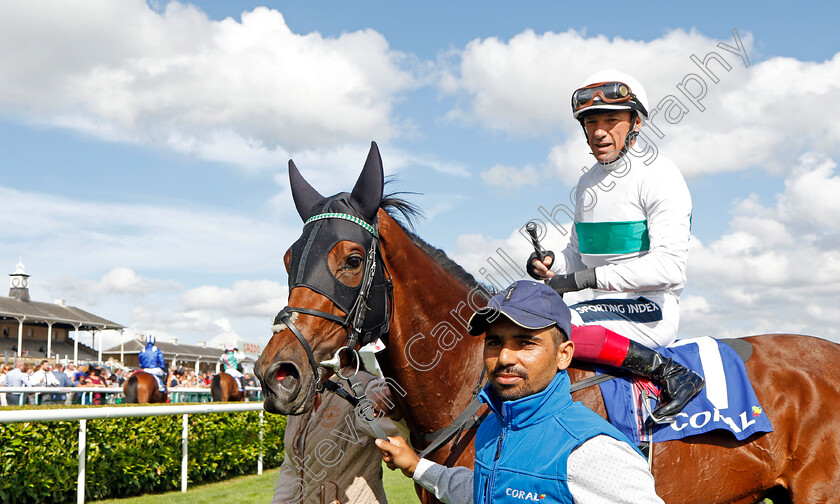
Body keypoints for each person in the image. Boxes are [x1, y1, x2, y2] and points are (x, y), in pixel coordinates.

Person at [377, 280, 664, 503]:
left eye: (525, 343)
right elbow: (483, 491)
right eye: (494, 342)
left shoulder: (590, 450)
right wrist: (417, 466)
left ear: (563, 355)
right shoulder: (492, 426)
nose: (504, 358)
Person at [527, 69, 704, 424]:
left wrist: (585, 279)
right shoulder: (587, 184)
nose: (599, 131)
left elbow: (670, 269)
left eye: (611, 120)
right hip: (597, 305)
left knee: (552, 332)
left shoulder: (660, 176)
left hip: (650, 308)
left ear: (635, 124)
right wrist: (552, 264)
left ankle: (671, 373)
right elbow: (577, 256)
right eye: (591, 123)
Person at [272, 354, 407, 504]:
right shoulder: (303, 394)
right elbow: (291, 468)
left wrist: (398, 415)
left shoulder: (366, 388)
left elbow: (412, 442)